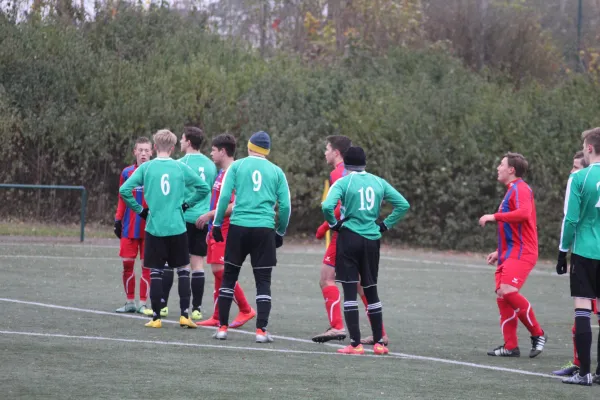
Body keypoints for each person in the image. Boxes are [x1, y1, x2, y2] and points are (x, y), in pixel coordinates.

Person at [322, 146, 409, 355]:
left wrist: (334, 224)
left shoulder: (344, 182)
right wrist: (385, 225)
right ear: (365, 163)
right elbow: (403, 204)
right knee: (371, 289)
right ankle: (379, 343)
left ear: (348, 164)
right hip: (372, 240)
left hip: (349, 238)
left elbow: (327, 206)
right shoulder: (379, 182)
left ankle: (355, 344)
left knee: (350, 290)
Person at [119, 129, 210, 329]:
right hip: (177, 226)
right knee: (183, 270)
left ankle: (156, 318)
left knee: (156, 272)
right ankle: (185, 315)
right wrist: (186, 205)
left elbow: (124, 190)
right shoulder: (180, 167)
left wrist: (140, 210)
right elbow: (204, 188)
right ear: (171, 147)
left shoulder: (147, 168)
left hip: (154, 228)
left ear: (154, 147)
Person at [211, 131, 291, 343]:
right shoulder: (277, 171)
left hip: (238, 227)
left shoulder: (237, 166)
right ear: (267, 151)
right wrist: (280, 231)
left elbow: (225, 197)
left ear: (249, 147)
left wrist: (217, 223)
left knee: (229, 277)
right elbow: (285, 207)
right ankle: (261, 331)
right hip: (264, 229)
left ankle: (222, 328)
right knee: (263, 281)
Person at [480, 152, 546, 358]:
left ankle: (538, 334)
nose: (498, 168)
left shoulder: (521, 189)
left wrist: (494, 216)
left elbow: (524, 214)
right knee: (502, 294)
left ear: (511, 170)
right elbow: (514, 227)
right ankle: (510, 346)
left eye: (501, 165)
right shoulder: (511, 191)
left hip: (524, 251)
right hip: (511, 252)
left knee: (508, 290)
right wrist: (500, 251)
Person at [151, 127, 217, 321]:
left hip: (183, 217)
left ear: (188, 141)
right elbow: (208, 189)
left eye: (181, 139)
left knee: (172, 262)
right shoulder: (210, 165)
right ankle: (196, 308)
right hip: (203, 218)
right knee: (197, 263)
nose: (179, 142)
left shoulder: (180, 164)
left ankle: (162, 305)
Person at [196, 133, 256, 328]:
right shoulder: (221, 173)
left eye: (213, 150)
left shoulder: (236, 172)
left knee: (220, 270)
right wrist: (210, 229)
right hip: (216, 228)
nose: (211, 153)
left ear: (223, 151)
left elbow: (235, 205)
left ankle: (246, 309)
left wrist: (210, 215)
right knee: (217, 273)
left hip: (227, 229)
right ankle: (217, 315)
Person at [557, 128, 600, 386]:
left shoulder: (579, 178)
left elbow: (570, 219)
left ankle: (583, 372)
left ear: (590, 148)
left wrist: (563, 253)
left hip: (584, 251)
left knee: (583, 308)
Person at [113, 137, 152, 314]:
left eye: (146, 150)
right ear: (134, 152)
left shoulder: (155, 172)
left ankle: (143, 303)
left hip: (150, 229)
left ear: (152, 152)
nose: (143, 153)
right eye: (140, 150)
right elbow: (122, 198)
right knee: (127, 264)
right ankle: (130, 302)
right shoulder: (127, 173)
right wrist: (118, 219)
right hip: (129, 228)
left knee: (147, 266)